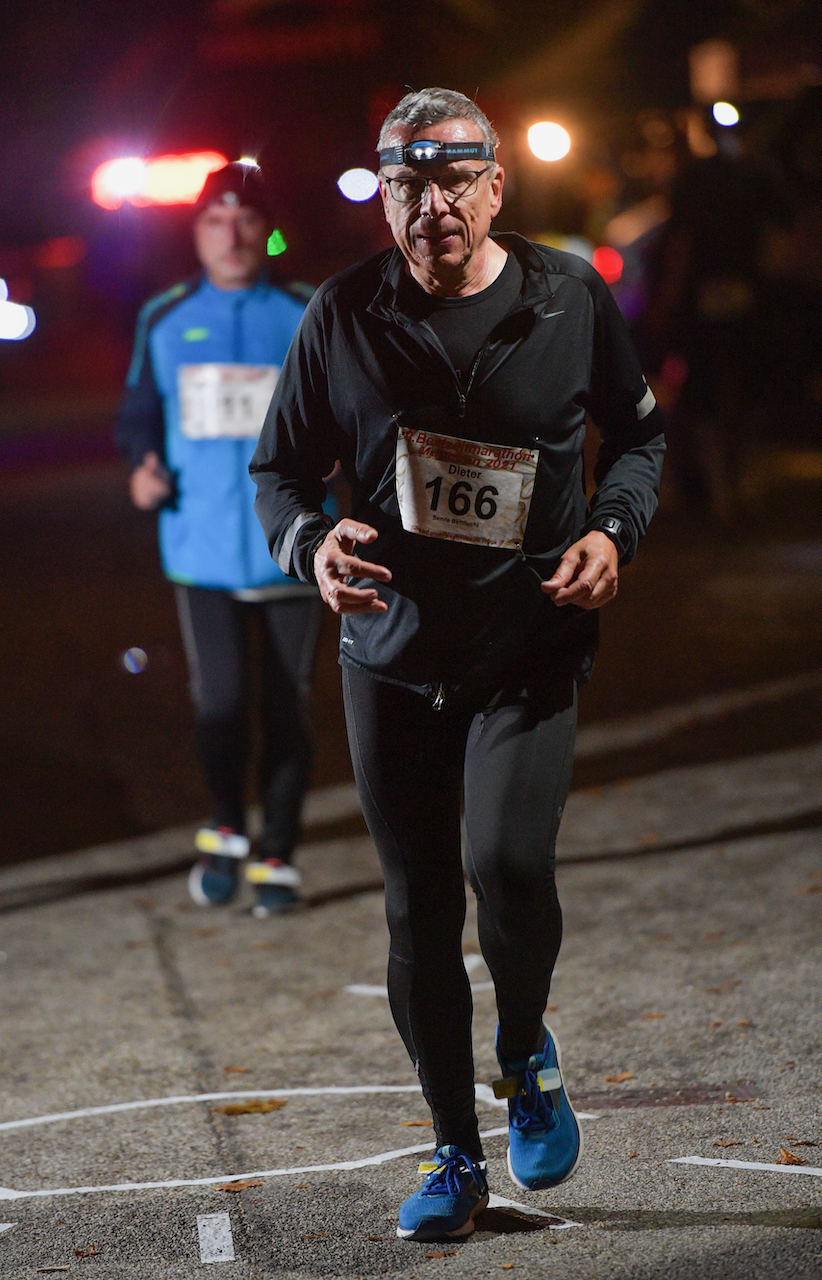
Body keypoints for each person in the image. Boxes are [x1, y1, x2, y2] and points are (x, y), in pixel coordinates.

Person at [251, 88, 665, 1239]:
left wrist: (609, 531)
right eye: (403, 184)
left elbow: (638, 436)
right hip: (390, 659)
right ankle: (453, 1153)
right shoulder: (341, 314)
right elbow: (278, 471)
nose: (429, 205)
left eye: (451, 181)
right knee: (418, 908)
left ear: (495, 187)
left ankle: (523, 1045)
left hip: (526, 645)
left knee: (508, 864)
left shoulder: (567, 296)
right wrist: (307, 543)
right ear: (381, 195)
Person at [116, 162, 322, 917]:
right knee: (223, 702)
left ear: (265, 230)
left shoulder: (307, 311)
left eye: (245, 219)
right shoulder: (165, 317)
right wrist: (141, 465)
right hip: (200, 549)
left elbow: (355, 411)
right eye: (214, 220)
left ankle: (280, 852)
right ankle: (228, 827)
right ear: (197, 233)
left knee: (287, 704)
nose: (231, 235)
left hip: (294, 547)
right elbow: (139, 411)